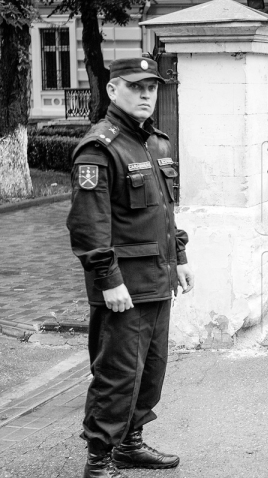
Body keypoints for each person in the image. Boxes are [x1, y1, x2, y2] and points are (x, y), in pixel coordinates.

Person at [66, 57, 194, 478]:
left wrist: (180, 257)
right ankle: (99, 459)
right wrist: (108, 279)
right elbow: (89, 226)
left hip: (158, 278)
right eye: (135, 86)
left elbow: (164, 211)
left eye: (151, 88)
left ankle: (130, 444)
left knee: (151, 371)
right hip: (122, 288)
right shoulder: (99, 148)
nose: (145, 94)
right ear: (112, 90)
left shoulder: (157, 143)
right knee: (118, 374)